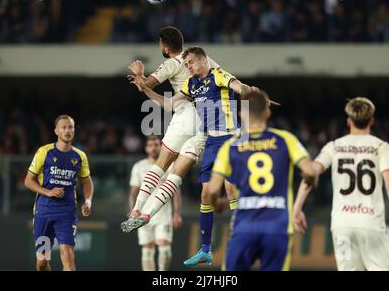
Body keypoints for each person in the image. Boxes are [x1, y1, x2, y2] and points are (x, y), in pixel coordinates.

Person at [125, 46, 260, 267]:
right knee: (206, 195)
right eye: (186, 64)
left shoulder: (218, 75)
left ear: (203, 60)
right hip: (211, 142)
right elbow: (168, 104)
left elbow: (238, 86)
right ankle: (206, 250)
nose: (188, 67)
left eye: (190, 63)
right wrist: (145, 89)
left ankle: (243, 241)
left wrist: (248, 90)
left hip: (231, 139)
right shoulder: (192, 85)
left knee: (230, 188)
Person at [207, 89, 318, 270]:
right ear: (267, 112)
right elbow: (311, 171)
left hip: (244, 227)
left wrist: (216, 203)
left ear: (241, 113)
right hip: (277, 227)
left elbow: (212, 190)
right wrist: (310, 181)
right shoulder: (285, 139)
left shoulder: (230, 146)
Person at [293, 97, 389, 271]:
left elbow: (311, 171)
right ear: (372, 121)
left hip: (342, 225)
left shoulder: (334, 146)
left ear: (348, 121)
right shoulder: (381, 147)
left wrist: (297, 208)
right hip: (371, 223)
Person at [24, 115, 94, 271]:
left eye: (70, 127)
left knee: (68, 255)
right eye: (64, 127)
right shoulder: (44, 152)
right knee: (42, 262)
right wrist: (47, 192)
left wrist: (88, 201)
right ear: (56, 130)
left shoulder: (80, 156)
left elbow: (87, 181)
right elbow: (28, 180)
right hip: (44, 212)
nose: (68, 130)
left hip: (66, 212)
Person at [129, 136, 182, 271]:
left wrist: (177, 214)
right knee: (147, 249)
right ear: (146, 148)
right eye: (150, 145)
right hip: (142, 215)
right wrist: (132, 213)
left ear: (161, 146)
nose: (153, 148)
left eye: (157, 144)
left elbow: (176, 193)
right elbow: (133, 193)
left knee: (164, 249)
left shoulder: (170, 166)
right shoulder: (139, 166)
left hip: (163, 215)